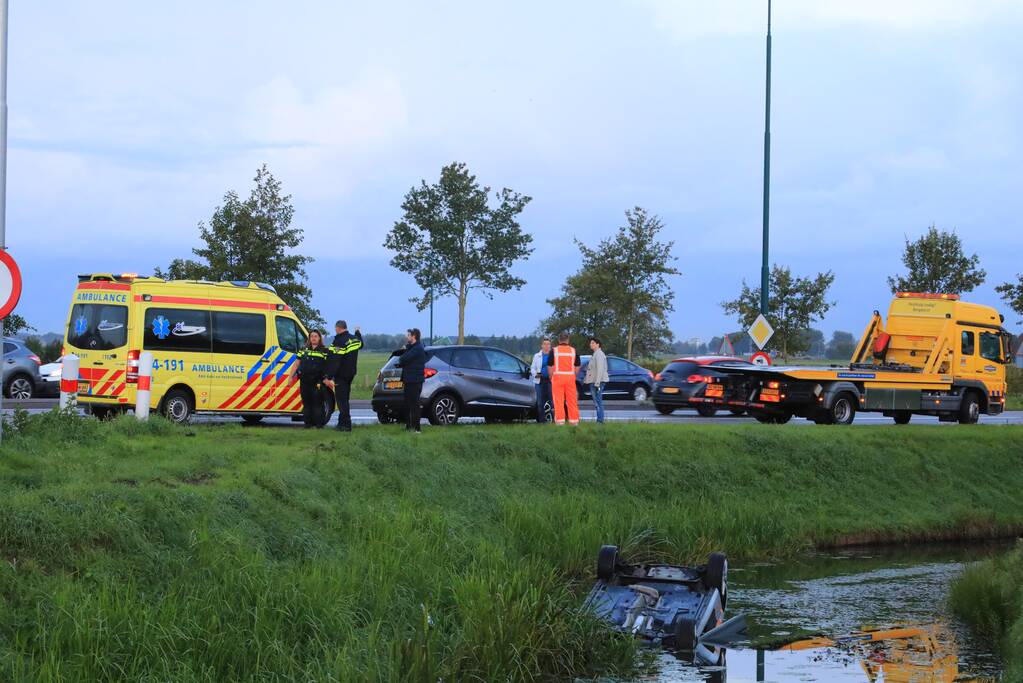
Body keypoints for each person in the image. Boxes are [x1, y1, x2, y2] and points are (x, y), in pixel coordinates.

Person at [324, 320, 362, 432]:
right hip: (351, 373)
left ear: (338, 328)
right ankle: (342, 423)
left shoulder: (340, 341)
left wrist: (328, 376)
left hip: (341, 374)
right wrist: (358, 332)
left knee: (341, 400)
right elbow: (361, 343)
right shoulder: (354, 339)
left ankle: (345, 425)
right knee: (345, 398)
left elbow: (335, 361)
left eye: (335, 329)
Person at [393, 328, 427, 432]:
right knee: (407, 404)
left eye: (408, 335)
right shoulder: (412, 347)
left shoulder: (417, 348)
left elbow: (404, 359)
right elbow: (399, 355)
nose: (406, 337)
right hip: (409, 379)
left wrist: (404, 353)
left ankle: (417, 428)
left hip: (415, 380)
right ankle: (408, 426)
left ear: (414, 336)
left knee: (414, 404)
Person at [294, 330, 329, 428]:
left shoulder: (324, 350)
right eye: (312, 336)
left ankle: (319, 424)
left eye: (316, 336)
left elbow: (328, 366)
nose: (313, 338)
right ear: (309, 338)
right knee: (306, 403)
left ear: (319, 338)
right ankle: (308, 424)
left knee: (317, 404)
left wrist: (327, 378)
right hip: (304, 381)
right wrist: (290, 377)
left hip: (317, 381)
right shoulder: (303, 349)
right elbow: (296, 363)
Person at [548, 332, 581, 425]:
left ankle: (560, 422)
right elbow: (578, 366)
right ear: (568, 340)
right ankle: (574, 422)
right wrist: (573, 374)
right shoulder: (573, 351)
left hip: (557, 378)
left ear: (559, 340)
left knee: (558, 400)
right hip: (570, 378)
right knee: (572, 400)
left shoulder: (554, 351)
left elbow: (550, 366)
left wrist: (551, 377)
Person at [584, 337, 610, 423]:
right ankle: (599, 420)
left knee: (598, 401)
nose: (590, 344)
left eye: (593, 343)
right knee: (597, 402)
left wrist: (597, 382)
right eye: (590, 343)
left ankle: (600, 421)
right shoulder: (595, 354)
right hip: (594, 381)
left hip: (597, 382)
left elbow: (600, 369)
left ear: (598, 344)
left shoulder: (599, 354)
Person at [530, 338, 553, 423]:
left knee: (551, 401)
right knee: (540, 402)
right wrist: (536, 374)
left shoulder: (553, 355)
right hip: (539, 381)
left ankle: (551, 419)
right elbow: (532, 368)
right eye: (545, 344)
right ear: (542, 345)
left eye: (548, 344)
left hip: (550, 381)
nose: (546, 346)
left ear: (550, 346)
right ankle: (541, 421)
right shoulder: (537, 356)